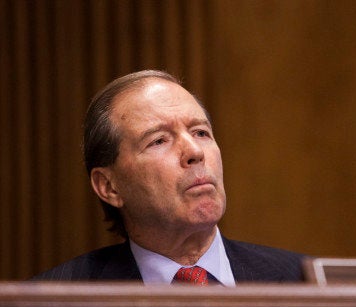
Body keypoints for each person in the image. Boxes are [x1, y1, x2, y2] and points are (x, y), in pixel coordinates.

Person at [32, 70, 305, 285]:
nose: (195, 152)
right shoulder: (53, 301)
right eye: (159, 140)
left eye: (200, 132)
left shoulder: (306, 283)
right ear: (109, 186)